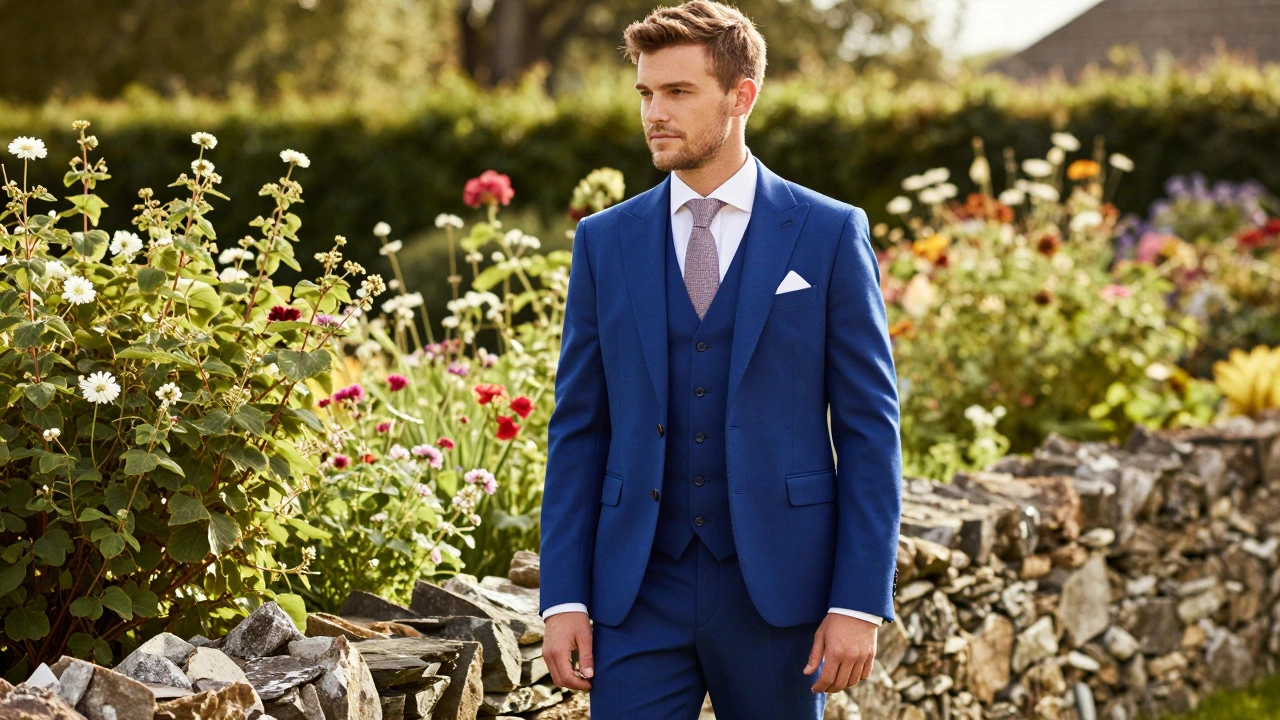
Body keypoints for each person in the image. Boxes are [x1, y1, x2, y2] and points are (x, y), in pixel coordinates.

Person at [537, 2, 902, 717]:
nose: (654, 114)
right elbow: (578, 427)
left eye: (678, 93)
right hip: (636, 592)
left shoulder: (828, 234)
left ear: (742, 97)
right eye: (645, 93)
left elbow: (869, 430)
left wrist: (859, 600)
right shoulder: (605, 242)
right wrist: (565, 597)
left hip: (781, 594)